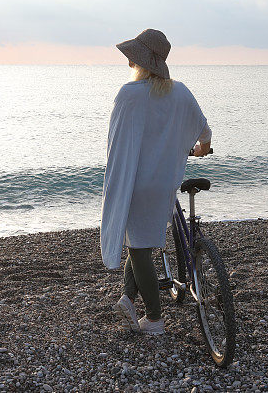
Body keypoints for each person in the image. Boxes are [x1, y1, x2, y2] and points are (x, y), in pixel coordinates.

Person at [100, 28, 212, 335]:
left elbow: (117, 142)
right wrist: (200, 149)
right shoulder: (181, 92)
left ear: (143, 62)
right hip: (164, 183)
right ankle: (127, 296)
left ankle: (153, 318)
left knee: (137, 249)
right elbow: (204, 131)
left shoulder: (129, 94)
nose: (129, 64)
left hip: (136, 184)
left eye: (133, 59)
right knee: (142, 243)